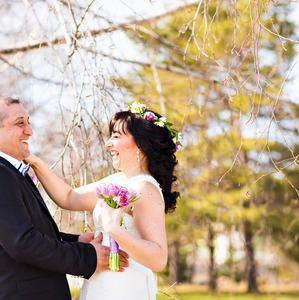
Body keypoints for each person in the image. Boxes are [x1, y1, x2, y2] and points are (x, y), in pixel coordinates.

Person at [0, 97, 128, 300]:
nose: (29, 131)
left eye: (28, 122)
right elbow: (23, 243)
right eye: (19, 123)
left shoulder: (6, 171)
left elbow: (30, 232)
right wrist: (89, 257)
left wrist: (77, 241)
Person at [26, 101, 182, 300]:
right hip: (101, 284)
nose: (108, 143)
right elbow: (69, 198)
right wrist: (34, 162)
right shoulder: (118, 180)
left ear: (141, 145)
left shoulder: (145, 189)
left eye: (116, 136)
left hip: (124, 288)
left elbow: (159, 259)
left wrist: (113, 228)